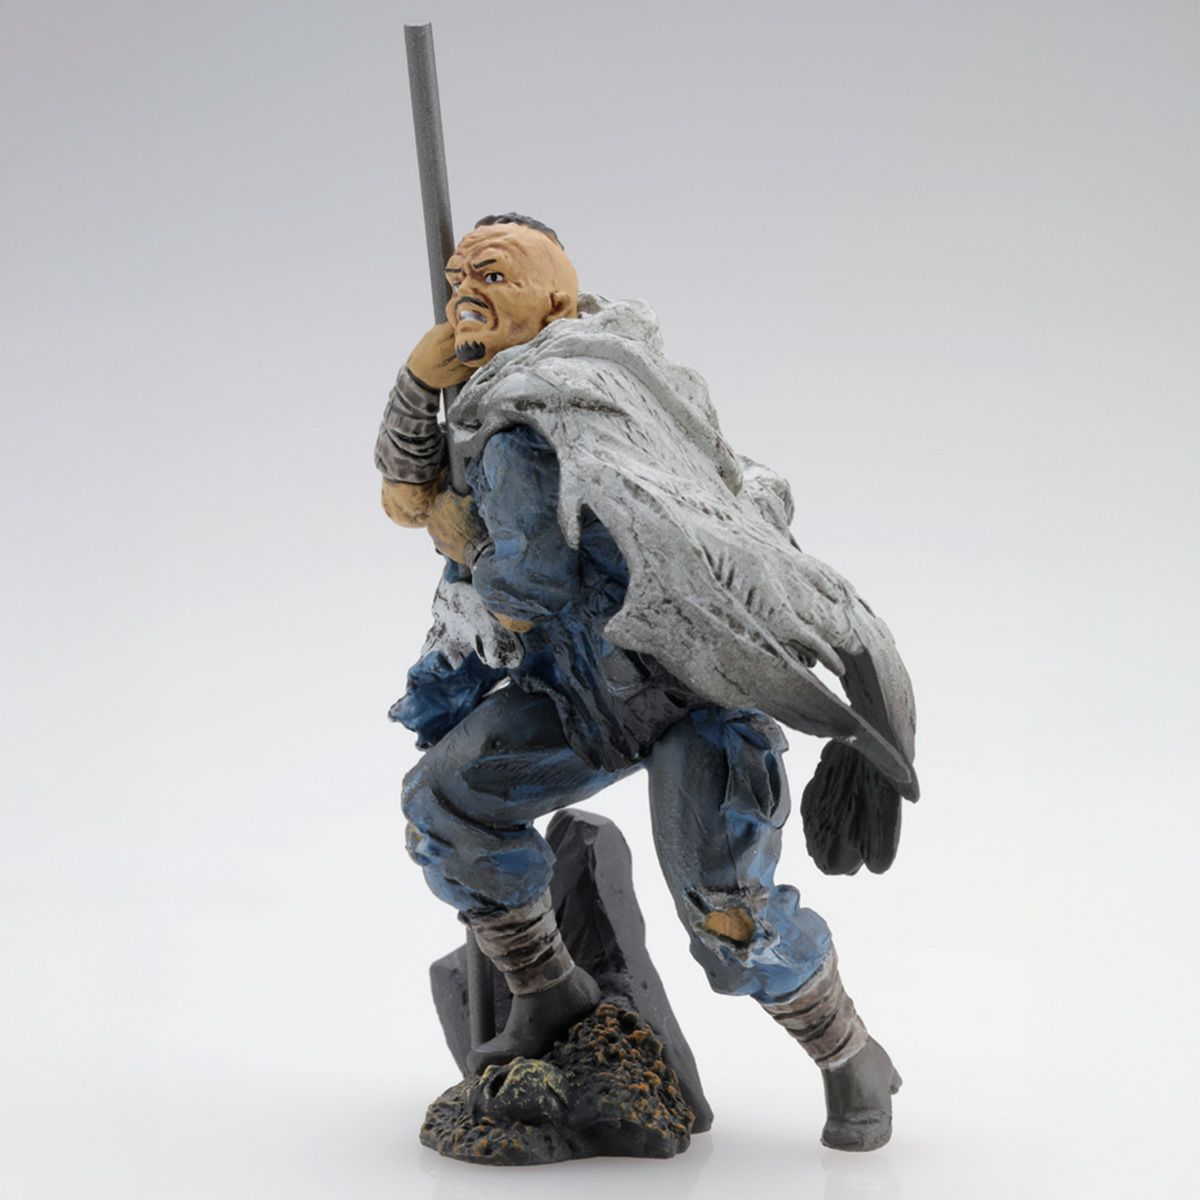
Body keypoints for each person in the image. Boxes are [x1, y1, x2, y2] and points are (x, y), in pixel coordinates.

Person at [375, 213, 918, 1151]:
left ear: (556, 300)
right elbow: (404, 486)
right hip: (582, 698)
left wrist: (462, 536)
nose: (466, 291)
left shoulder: (548, 415)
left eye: (493, 276)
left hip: (691, 694)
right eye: (459, 276)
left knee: (726, 910)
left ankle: (851, 1055)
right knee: (448, 799)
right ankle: (550, 991)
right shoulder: (494, 405)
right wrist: (419, 384)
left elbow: (530, 585)